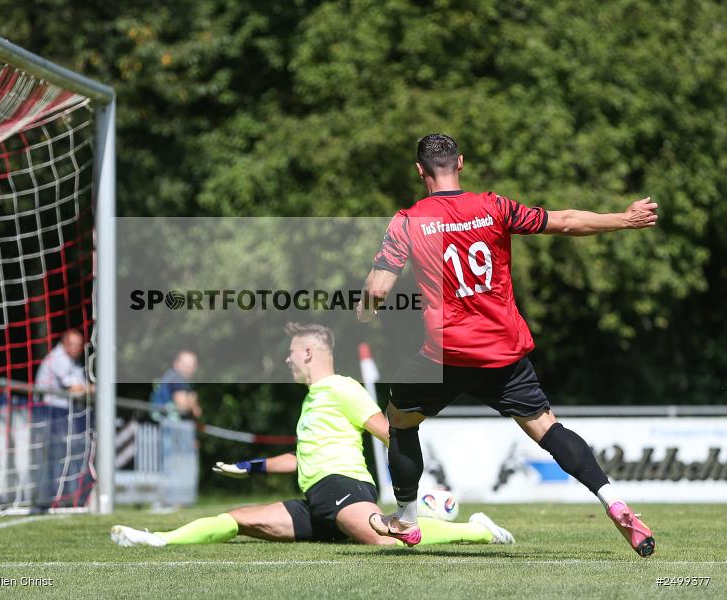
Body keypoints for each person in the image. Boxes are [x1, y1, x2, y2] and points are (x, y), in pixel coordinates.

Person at [357, 133, 657, 556]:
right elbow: (568, 222)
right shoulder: (495, 206)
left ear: (420, 170)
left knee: (400, 421)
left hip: (447, 354)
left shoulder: (408, 220)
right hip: (503, 353)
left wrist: (366, 307)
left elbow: (380, 289)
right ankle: (614, 500)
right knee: (548, 430)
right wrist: (625, 219)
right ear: (460, 163)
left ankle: (406, 518)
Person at [110, 322, 513, 548]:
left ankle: (478, 530)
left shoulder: (342, 387)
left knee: (387, 540)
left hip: (344, 488)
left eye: (291, 352)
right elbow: (300, 459)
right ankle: (159, 539)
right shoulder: (312, 401)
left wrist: (414, 486)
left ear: (308, 353)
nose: (287, 359)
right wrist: (248, 467)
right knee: (236, 519)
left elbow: (392, 433)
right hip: (314, 500)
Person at [33, 328, 94, 508]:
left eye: (78, 345)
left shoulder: (71, 362)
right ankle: (51, 499)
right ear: (64, 343)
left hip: (64, 413)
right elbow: (75, 388)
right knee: (56, 456)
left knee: (68, 456)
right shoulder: (59, 359)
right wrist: (92, 388)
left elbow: (80, 388)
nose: (75, 348)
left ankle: (66, 497)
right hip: (52, 413)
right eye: (72, 344)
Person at [150, 350, 201, 421]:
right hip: (167, 423)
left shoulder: (176, 378)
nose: (189, 368)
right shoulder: (176, 378)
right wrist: (193, 405)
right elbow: (182, 406)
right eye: (185, 364)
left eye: (192, 365)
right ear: (176, 364)